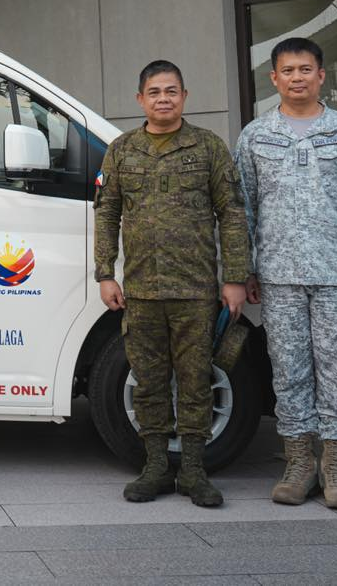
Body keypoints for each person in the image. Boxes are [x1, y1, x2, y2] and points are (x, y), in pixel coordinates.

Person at [234, 37, 337, 511]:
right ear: (274, 78)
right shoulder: (255, 136)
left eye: (305, 69)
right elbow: (243, 209)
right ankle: (299, 463)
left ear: (321, 76)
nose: (296, 77)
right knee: (289, 371)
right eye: (288, 70)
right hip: (279, 275)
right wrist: (245, 269)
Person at [94, 59, 249, 508]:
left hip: (195, 289)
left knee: (196, 380)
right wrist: (105, 273)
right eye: (155, 92)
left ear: (184, 96)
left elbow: (231, 214)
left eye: (171, 91)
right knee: (149, 381)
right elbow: (106, 213)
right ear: (140, 99)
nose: (163, 99)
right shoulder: (122, 150)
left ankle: (194, 471)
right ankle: (157, 467)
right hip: (141, 290)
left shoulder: (208, 147)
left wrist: (235, 278)